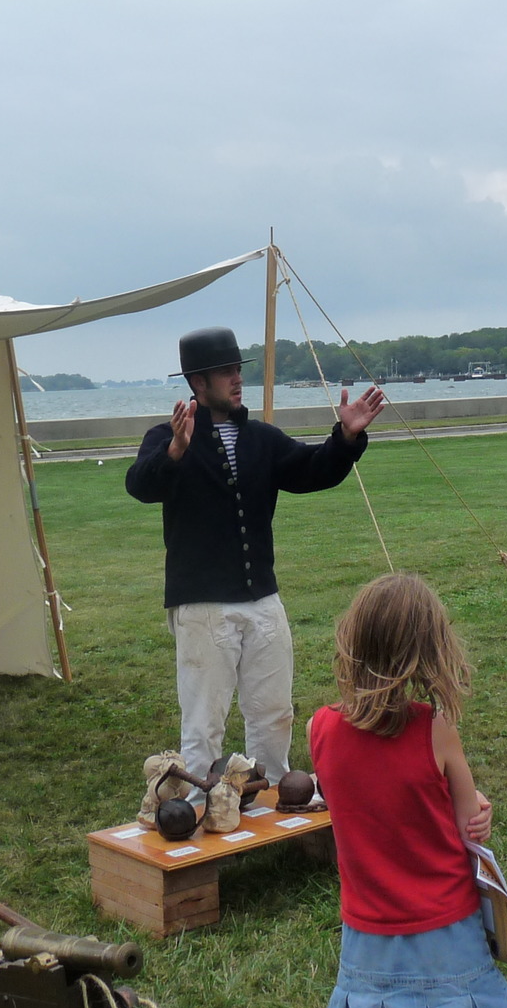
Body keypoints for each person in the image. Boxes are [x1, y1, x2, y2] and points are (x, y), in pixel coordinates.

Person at [127, 326, 386, 776]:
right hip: (203, 605)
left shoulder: (261, 438)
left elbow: (311, 471)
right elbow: (141, 485)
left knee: (273, 711)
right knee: (204, 724)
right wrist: (174, 451)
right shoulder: (166, 438)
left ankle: (267, 798)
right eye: (224, 372)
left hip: (263, 600)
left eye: (236, 369)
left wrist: (345, 439)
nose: (236, 378)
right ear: (198, 383)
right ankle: (199, 806)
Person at [310, 572, 507, 1008]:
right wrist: (475, 804)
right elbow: (466, 822)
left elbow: (372, 794)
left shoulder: (318, 728)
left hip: (367, 927)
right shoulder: (437, 729)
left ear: (353, 640)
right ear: (428, 650)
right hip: (443, 927)